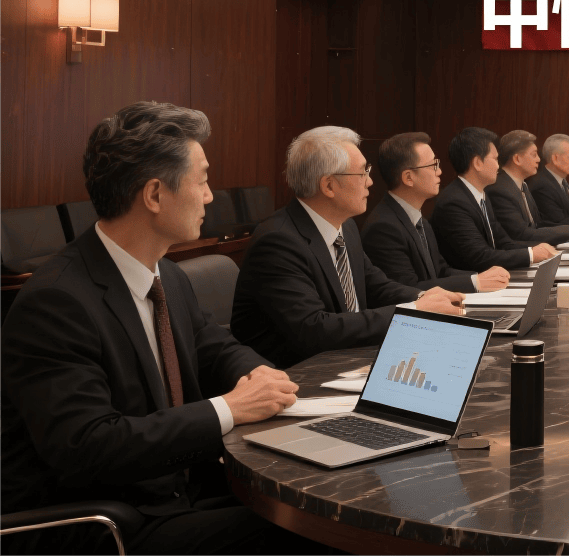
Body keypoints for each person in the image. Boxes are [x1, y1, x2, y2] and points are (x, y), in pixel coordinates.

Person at [0, 101, 312, 555]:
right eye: (202, 180)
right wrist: (229, 408)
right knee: (306, 531)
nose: (210, 196)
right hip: (106, 522)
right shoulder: (57, 301)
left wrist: (260, 375)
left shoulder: (167, 274)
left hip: (178, 490)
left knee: (309, 504)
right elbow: (89, 446)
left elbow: (213, 346)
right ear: (154, 195)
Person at [231, 126, 464, 368]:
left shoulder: (347, 227)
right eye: (362, 173)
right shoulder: (278, 242)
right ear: (329, 186)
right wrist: (412, 312)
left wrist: (423, 298)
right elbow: (314, 329)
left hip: (345, 361)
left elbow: (375, 285)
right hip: (296, 373)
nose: (370, 182)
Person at [362, 132, 511, 293]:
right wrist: (474, 282)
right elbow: (407, 289)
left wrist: (481, 277)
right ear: (408, 178)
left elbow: (441, 271)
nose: (439, 171)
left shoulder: (421, 221)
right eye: (433, 165)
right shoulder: (383, 228)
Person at [432, 127, 559, 272]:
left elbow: (502, 242)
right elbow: (479, 256)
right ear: (478, 163)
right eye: (495, 159)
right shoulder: (454, 203)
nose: (498, 166)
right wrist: (530, 254)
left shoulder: (481, 195)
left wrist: (538, 248)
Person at [486, 129, 569, 245]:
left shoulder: (523, 185)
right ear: (517, 159)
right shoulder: (500, 190)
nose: (538, 159)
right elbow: (521, 234)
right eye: (534, 155)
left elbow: (538, 225)